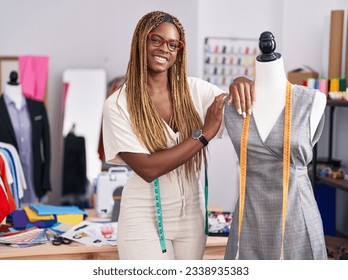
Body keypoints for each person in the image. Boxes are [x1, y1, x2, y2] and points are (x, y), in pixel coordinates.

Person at [102, 11, 253, 260]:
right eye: (156, 40)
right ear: (141, 41)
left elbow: (238, 107)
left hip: (192, 215)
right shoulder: (119, 104)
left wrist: (241, 80)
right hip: (143, 216)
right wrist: (203, 134)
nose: (165, 49)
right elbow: (148, 169)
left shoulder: (195, 90)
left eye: (173, 44)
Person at [224, 31, 327, 259]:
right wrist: (236, 79)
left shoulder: (313, 101)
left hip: (298, 217)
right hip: (249, 219)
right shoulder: (230, 105)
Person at [0, 71, 51, 205]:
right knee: (11, 224)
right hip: (6, 188)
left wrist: (45, 180)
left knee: (38, 224)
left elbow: (47, 145)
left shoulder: (37, 107)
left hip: (35, 184)